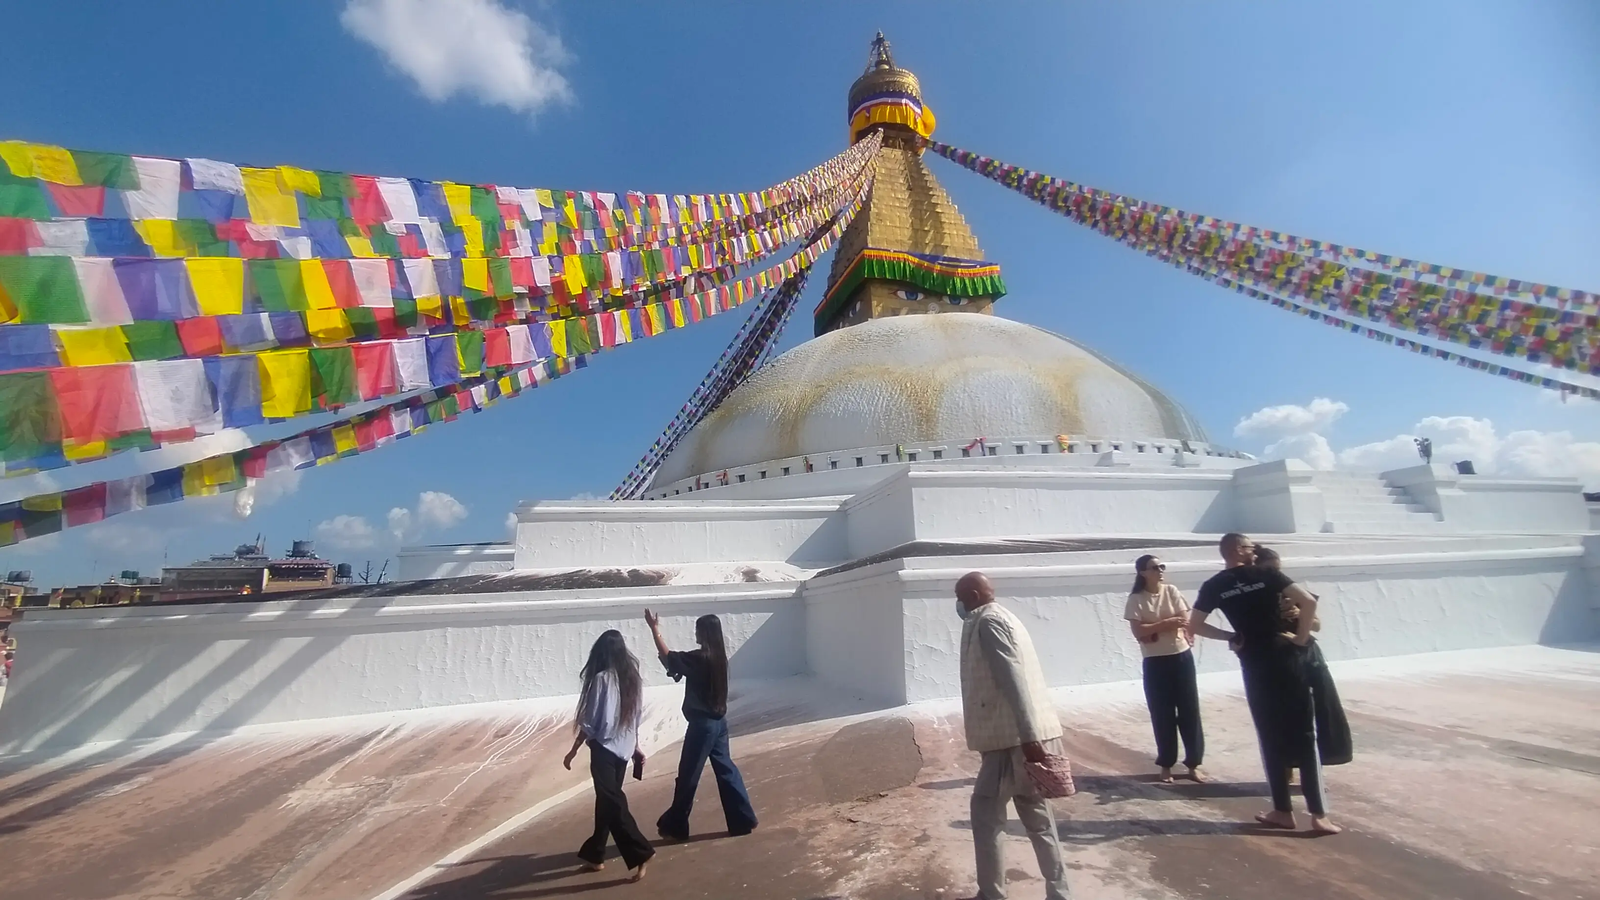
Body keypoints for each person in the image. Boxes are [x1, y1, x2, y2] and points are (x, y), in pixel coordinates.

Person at [1187, 534, 1342, 835]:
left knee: (1269, 735)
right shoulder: (1267, 574)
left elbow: (1194, 626)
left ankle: (1283, 811)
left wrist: (1230, 637)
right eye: (1249, 547)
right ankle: (1318, 814)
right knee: (1304, 732)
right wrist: (1299, 639)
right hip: (1288, 660)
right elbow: (1308, 602)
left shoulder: (1214, 585)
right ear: (1235, 551)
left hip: (1255, 664)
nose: (1254, 552)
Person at [955, 571, 1071, 900]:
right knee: (1038, 818)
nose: (958, 604)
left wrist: (1029, 737)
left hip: (1012, 741)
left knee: (986, 814)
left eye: (960, 596)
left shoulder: (988, 622)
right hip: (1021, 737)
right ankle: (1060, 893)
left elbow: (1013, 679)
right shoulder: (1003, 616)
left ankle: (992, 894)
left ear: (974, 596)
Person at [643, 609, 758, 841]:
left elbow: (670, 658)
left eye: (698, 629)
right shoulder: (719, 659)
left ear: (704, 632)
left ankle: (676, 826)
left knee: (688, 776)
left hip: (702, 725)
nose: (695, 632)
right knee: (726, 770)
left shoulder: (700, 658)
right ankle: (742, 819)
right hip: (719, 723)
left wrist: (654, 630)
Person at [1251, 547, 1352, 777]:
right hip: (1275, 660)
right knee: (1281, 717)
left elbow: (1317, 625)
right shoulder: (1253, 598)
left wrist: (1299, 614)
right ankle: (1285, 768)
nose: (1276, 574)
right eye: (1270, 570)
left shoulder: (1294, 592)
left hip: (1306, 656)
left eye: (1277, 570)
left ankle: (1312, 767)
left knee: (1317, 713)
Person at [563, 630, 655, 881]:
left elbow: (591, 721)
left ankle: (640, 851)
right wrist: (635, 747)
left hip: (604, 749)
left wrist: (574, 749)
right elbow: (635, 718)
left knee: (612, 800)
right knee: (606, 800)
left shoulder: (601, 679)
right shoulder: (632, 679)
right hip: (624, 749)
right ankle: (595, 855)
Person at [1124, 554, 1205, 784]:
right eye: (1154, 567)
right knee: (1162, 713)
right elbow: (1139, 632)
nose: (1160, 570)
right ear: (1142, 572)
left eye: (1161, 566)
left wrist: (1156, 628)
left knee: (1190, 710)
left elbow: (1183, 619)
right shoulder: (1136, 599)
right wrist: (1166, 625)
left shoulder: (1171, 591)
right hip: (1156, 661)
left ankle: (1193, 764)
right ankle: (1166, 765)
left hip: (1181, 657)